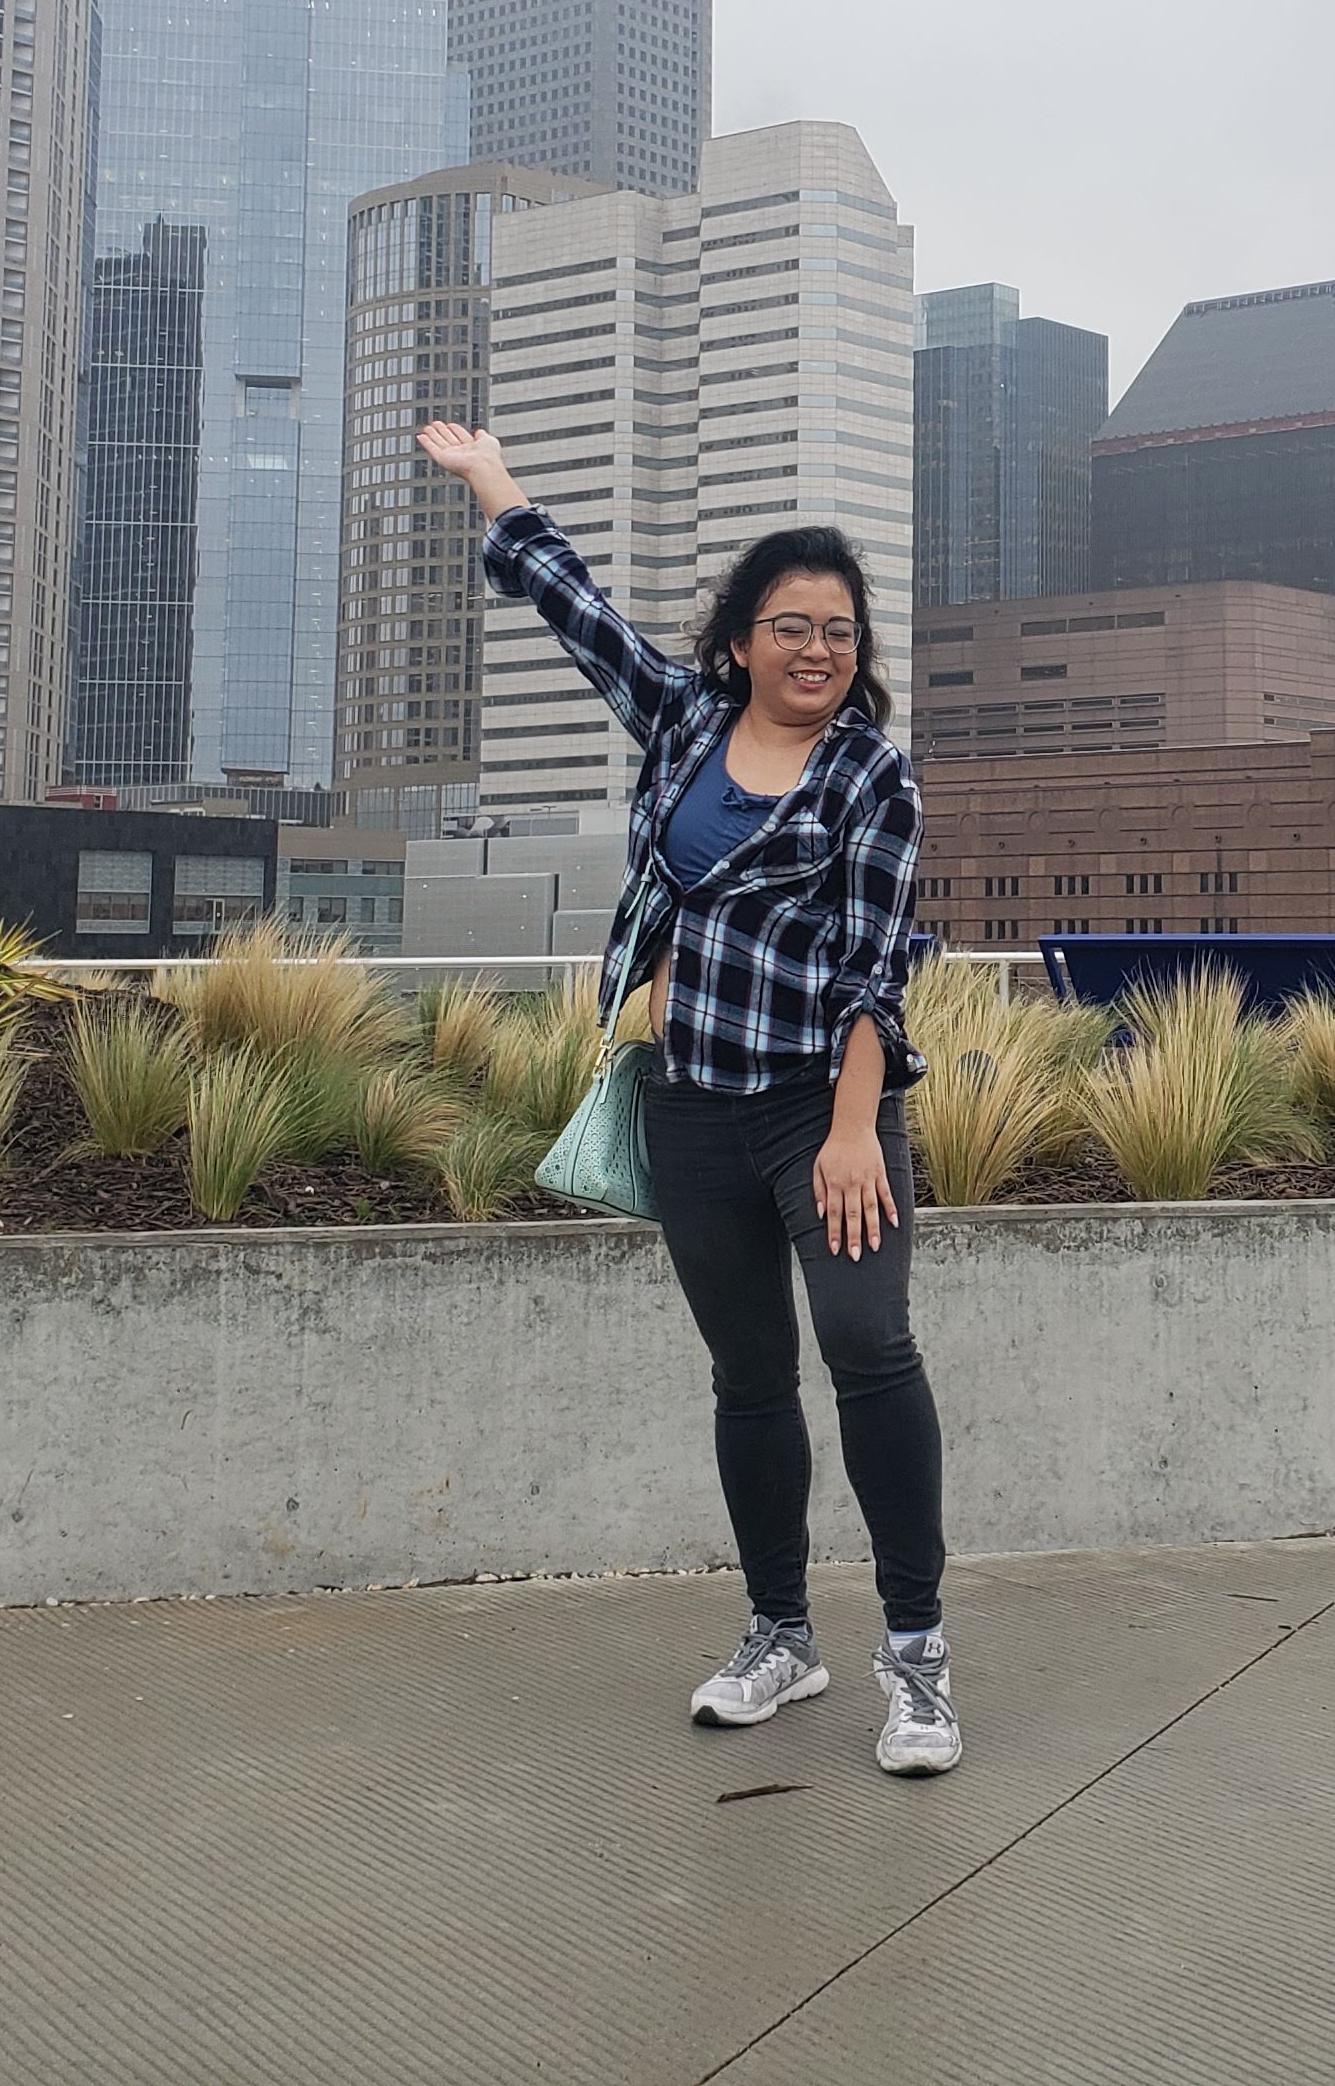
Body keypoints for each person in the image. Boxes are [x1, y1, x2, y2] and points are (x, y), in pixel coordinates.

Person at [416, 418, 960, 1778]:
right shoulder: (684, 723)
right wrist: (493, 479)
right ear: (738, 643)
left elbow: (879, 977)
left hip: (818, 1111)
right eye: (793, 626)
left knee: (869, 1349)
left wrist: (851, 1132)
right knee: (748, 1376)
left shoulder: (871, 779)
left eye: (841, 632)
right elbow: (573, 606)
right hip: (692, 1105)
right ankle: (782, 1633)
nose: (819, 651)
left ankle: (918, 1659)